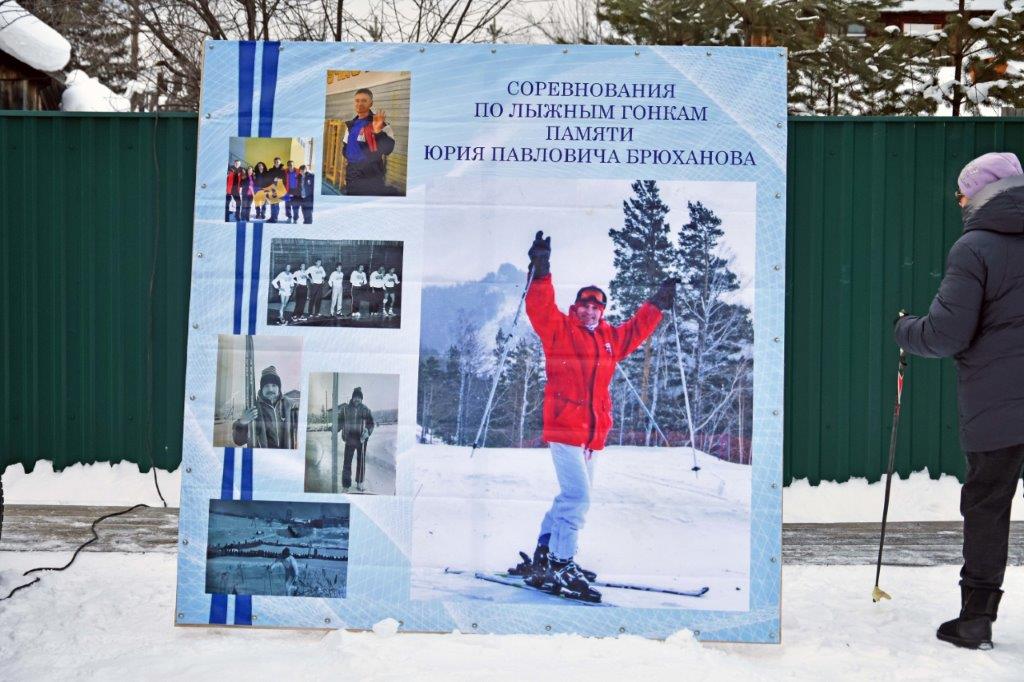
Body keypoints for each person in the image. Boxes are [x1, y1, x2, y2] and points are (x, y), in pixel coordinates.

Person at [894, 152, 1024, 651]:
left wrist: (904, 330)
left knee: (989, 503)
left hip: (998, 401)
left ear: (984, 192)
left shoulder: (975, 247)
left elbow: (946, 334)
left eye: (962, 192)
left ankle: (976, 619)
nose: (960, 200)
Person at [515, 230, 675, 603]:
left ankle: (544, 552)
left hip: (592, 434)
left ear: (602, 310)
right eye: (585, 304)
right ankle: (560, 561)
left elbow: (635, 331)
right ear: (576, 306)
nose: (590, 310)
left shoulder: (608, 340)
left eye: (597, 306)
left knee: (570, 497)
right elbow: (539, 308)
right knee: (578, 498)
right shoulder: (559, 331)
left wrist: (658, 304)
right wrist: (542, 269)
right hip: (563, 429)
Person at [342, 88, 399, 196]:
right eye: (357, 100)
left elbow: (388, 149)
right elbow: (345, 148)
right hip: (352, 177)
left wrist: (377, 132)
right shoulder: (351, 125)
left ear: (371, 103)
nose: (360, 103)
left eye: (364, 100)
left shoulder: (381, 124)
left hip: (372, 179)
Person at [232, 365, 295, 449]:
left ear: (279, 388)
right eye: (266, 386)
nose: (270, 389)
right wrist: (243, 422)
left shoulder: (290, 405)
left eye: (274, 385)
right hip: (262, 457)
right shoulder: (252, 408)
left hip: (285, 457)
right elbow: (238, 441)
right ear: (261, 388)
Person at [336, 386, 375, 491]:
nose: (357, 399)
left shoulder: (365, 409)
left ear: (361, 399)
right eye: (355, 397)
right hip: (349, 438)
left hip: (361, 439)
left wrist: (368, 431)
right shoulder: (345, 409)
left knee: (361, 462)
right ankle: (346, 485)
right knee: (347, 462)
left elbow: (371, 423)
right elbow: (339, 421)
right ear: (352, 398)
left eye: (359, 397)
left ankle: (360, 482)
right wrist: (334, 429)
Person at [267, 157, 286, 223]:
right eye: (275, 162)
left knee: (276, 204)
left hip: (279, 189)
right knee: (272, 203)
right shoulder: (271, 170)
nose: (276, 163)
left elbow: (285, 179)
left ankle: (275, 218)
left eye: (277, 162)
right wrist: (273, 179)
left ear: (280, 162)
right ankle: (272, 217)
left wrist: (278, 179)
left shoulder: (283, 170)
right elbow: (268, 178)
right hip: (272, 188)